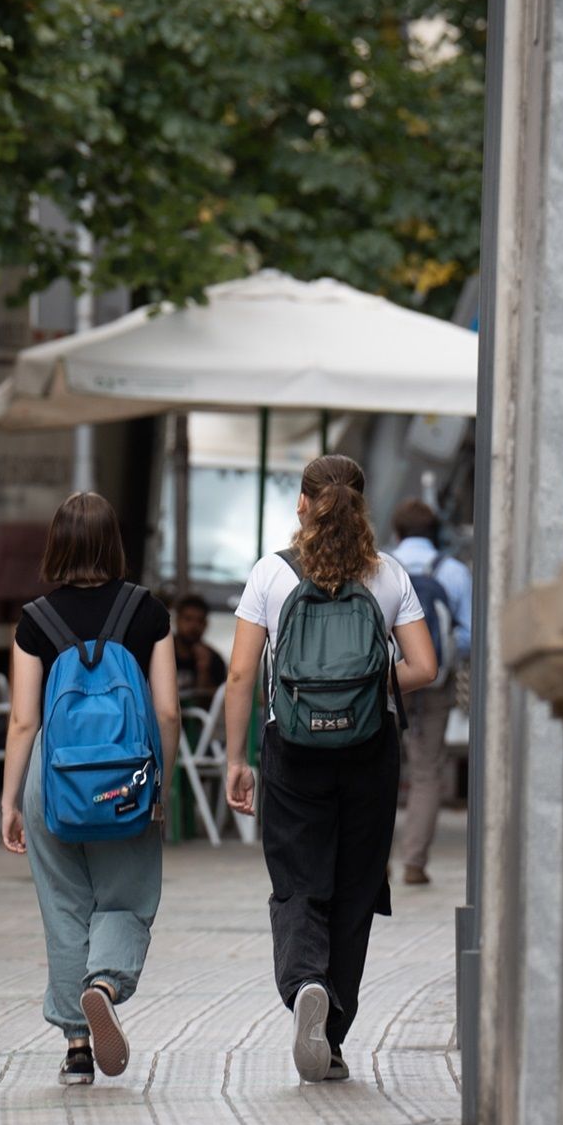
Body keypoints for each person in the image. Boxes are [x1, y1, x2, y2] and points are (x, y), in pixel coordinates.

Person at [224, 455, 436, 1084]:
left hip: (289, 747)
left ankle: (305, 984)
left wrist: (237, 759)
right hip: (371, 748)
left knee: (297, 880)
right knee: (355, 887)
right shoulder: (388, 573)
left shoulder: (271, 573)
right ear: (360, 504)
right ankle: (334, 1038)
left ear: (302, 503)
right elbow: (423, 666)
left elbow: (240, 674)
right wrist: (365, 690)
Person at [0, 493, 180, 1085]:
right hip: (127, 783)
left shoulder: (35, 619)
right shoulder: (147, 612)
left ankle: (77, 1044)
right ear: (114, 543)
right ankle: (104, 982)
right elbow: (168, 711)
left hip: (53, 784)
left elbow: (24, 720)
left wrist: (9, 800)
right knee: (126, 900)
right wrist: (162, 785)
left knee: (64, 908)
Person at [389, 499, 473, 886]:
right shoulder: (454, 572)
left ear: (398, 532)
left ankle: (375, 863)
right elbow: (469, 635)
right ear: (436, 532)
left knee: (380, 766)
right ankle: (414, 862)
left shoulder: (380, 565)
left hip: (386, 682)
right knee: (426, 772)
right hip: (435, 682)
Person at [172, 593, 227, 705]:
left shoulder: (214, 659)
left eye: (200, 621)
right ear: (176, 620)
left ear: (206, 624)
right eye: (188, 619)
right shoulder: (161, 652)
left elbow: (213, 704)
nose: (194, 626)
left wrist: (203, 670)